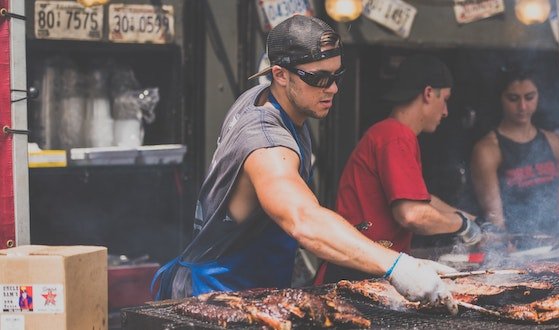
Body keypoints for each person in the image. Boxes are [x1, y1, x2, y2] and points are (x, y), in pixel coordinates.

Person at [151, 15, 459, 314]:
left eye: (336, 75)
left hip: (255, 292)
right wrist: (397, 265)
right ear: (280, 74)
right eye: (319, 78)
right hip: (216, 297)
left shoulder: (266, 97)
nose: (333, 88)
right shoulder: (267, 143)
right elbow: (304, 219)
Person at [315, 54, 484, 284]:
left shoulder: (391, 134)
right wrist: (464, 226)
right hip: (356, 274)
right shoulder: (395, 136)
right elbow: (412, 214)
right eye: (444, 99)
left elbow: (422, 200)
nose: (445, 111)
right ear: (428, 93)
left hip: (364, 269)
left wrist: (475, 220)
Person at [470, 66, 559, 250]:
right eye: (513, 99)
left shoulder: (555, 143)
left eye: (529, 97)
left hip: (557, 245)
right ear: (500, 98)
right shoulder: (488, 149)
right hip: (516, 251)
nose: (522, 107)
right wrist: (506, 247)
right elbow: (495, 220)